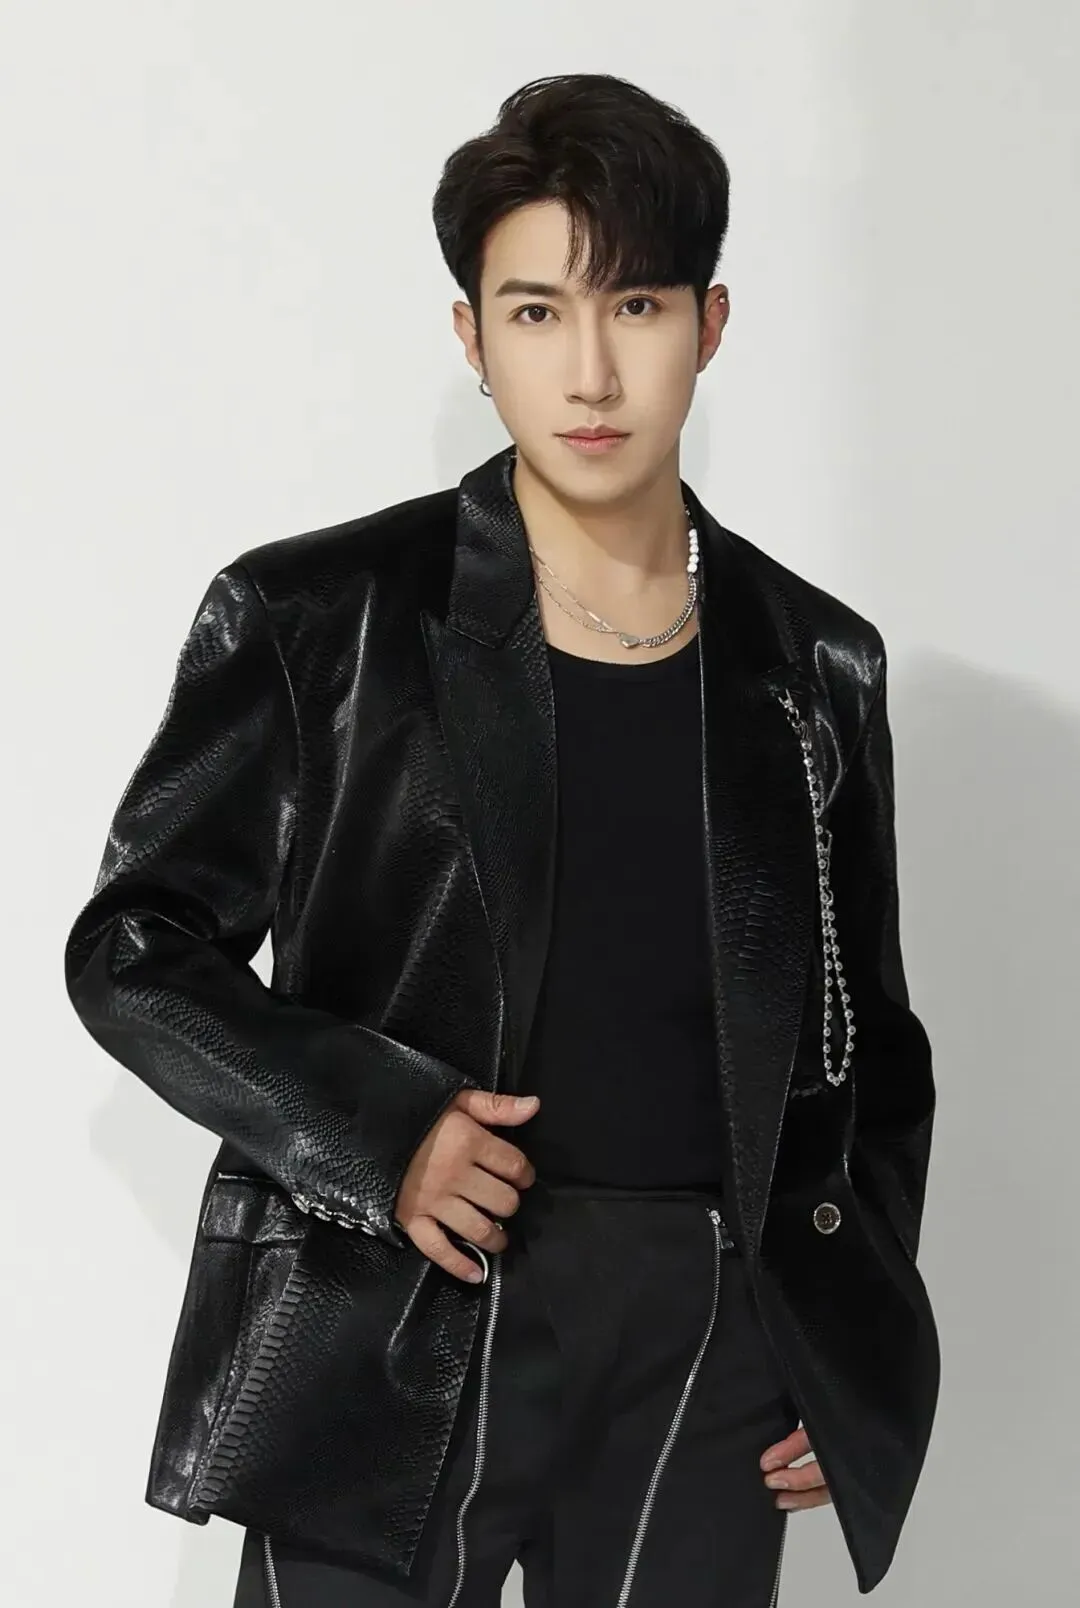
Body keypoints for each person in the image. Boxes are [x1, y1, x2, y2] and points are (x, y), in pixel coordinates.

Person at [63, 72, 940, 1607]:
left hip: (700, 1343)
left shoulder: (813, 666)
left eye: (637, 306)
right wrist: (376, 1131)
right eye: (538, 313)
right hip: (395, 1308)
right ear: (472, 339)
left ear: (710, 325)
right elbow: (134, 949)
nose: (591, 370)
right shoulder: (319, 618)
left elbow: (869, 1044)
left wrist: (842, 1332)